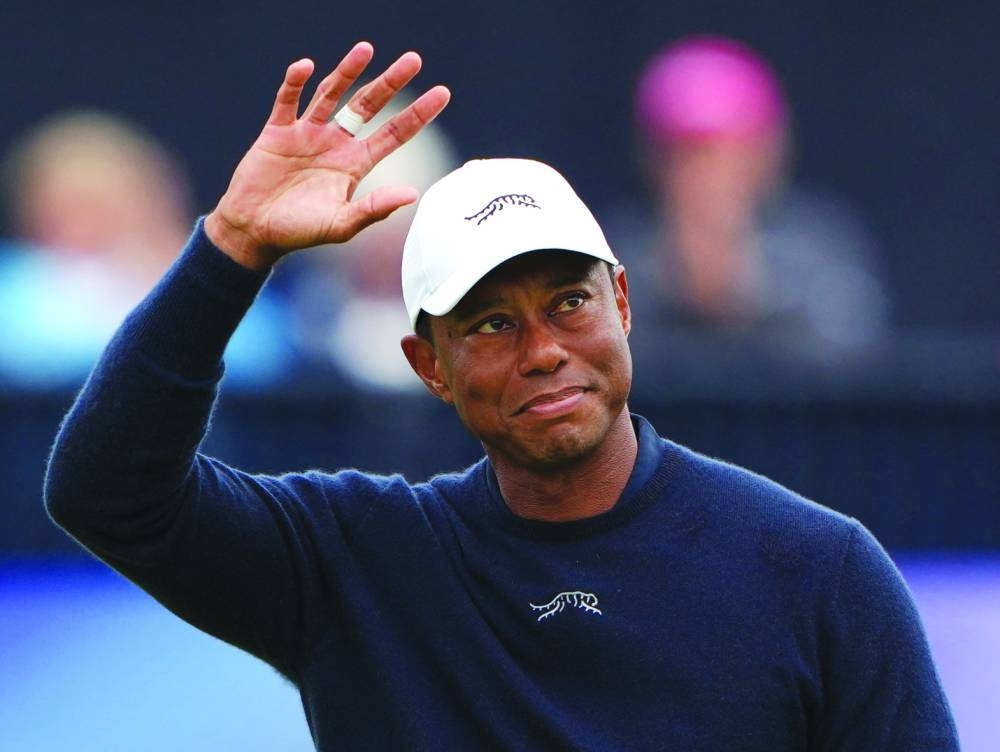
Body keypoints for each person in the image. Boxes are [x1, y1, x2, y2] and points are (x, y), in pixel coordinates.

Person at [44, 42, 958, 750]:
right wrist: (232, 246)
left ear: (624, 303)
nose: (544, 351)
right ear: (426, 364)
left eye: (568, 302)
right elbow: (105, 491)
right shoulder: (356, 563)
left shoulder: (819, 572)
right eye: (490, 324)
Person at [616, 36, 889, 384]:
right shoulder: (622, 258)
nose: (708, 174)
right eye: (686, 154)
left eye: (727, 151)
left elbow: (858, 370)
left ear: (769, 151)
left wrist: (748, 294)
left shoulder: (821, 248)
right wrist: (674, 288)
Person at [0, 109, 293, 389]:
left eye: (103, 208)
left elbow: (263, 354)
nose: (85, 228)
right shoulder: (17, 281)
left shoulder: (198, 275)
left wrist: (182, 283)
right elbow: (24, 356)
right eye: (69, 210)